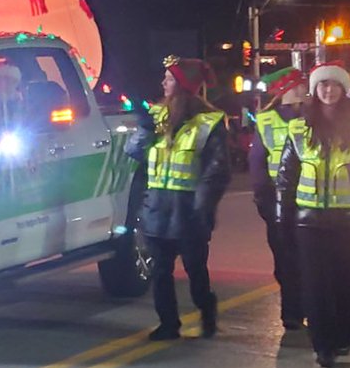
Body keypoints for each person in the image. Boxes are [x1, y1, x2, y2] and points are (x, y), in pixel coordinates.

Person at [276, 62, 350, 368]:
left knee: (348, 284)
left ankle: (343, 338)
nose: (328, 90)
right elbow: (286, 177)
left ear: (343, 89)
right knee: (316, 285)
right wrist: (282, 218)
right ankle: (323, 345)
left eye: (334, 85)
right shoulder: (299, 127)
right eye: (322, 85)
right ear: (314, 90)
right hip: (310, 222)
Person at [126, 56, 231, 341]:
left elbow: (218, 169)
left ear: (183, 86)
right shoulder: (157, 117)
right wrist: (144, 128)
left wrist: (203, 205)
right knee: (160, 272)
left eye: (169, 79)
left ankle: (206, 309)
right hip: (158, 209)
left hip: (188, 212)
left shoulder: (209, 123)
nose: (163, 83)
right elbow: (133, 152)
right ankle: (169, 324)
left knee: (196, 272)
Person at [250, 66, 308, 329]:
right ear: (290, 89)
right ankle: (293, 311)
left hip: (308, 200)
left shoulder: (313, 117)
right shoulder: (266, 121)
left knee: (303, 259)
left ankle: (298, 311)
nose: (305, 90)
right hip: (278, 203)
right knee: (285, 260)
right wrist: (265, 202)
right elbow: (258, 166)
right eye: (301, 85)